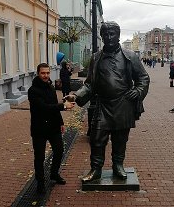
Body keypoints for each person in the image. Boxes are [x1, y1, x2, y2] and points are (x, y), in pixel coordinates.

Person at [64, 21, 150, 182]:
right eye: (106, 34)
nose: (109, 37)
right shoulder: (96, 58)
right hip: (102, 105)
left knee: (120, 139)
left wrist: (138, 91)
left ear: (118, 35)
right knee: (97, 139)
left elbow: (143, 78)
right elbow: (90, 83)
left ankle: (118, 165)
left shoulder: (130, 56)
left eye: (112, 34)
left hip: (123, 104)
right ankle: (96, 169)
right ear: (102, 36)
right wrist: (76, 96)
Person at [28, 63, 75, 194]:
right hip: (39, 129)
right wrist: (64, 106)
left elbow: (53, 106)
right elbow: (44, 108)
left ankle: (54, 174)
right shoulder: (33, 90)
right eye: (43, 73)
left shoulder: (51, 87)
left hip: (53, 126)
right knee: (39, 157)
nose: (46, 75)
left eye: (47, 73)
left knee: (59, 151)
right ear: (38, 73)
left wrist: (61, 122)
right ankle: (40, 183)